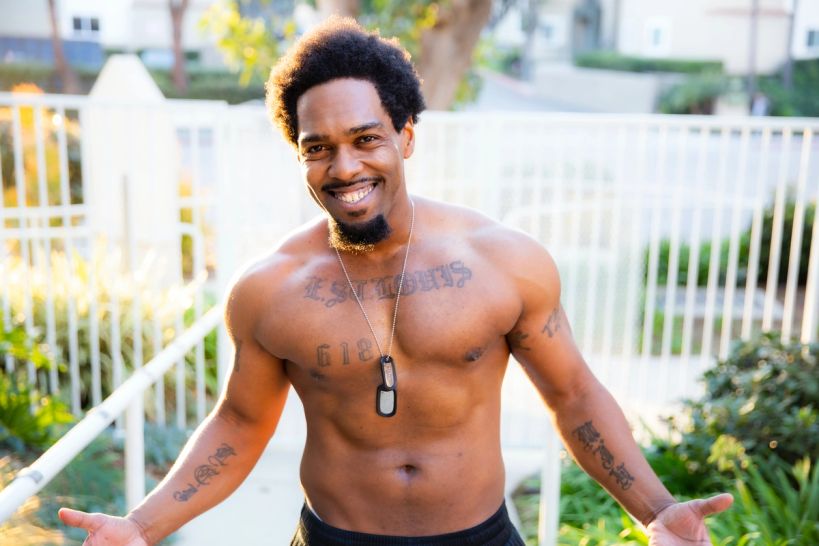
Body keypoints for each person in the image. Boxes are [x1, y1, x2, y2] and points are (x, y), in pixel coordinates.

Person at [58, 17, 732, 546]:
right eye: (318, 148)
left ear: (406, 136)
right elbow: (239, 421)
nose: (344, 167)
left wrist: (657, 510)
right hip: (334, 537)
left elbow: (573, 394)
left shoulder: (503, 262)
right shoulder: (269, 290)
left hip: (478, 537)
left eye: (366, 139)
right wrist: (142, 526)